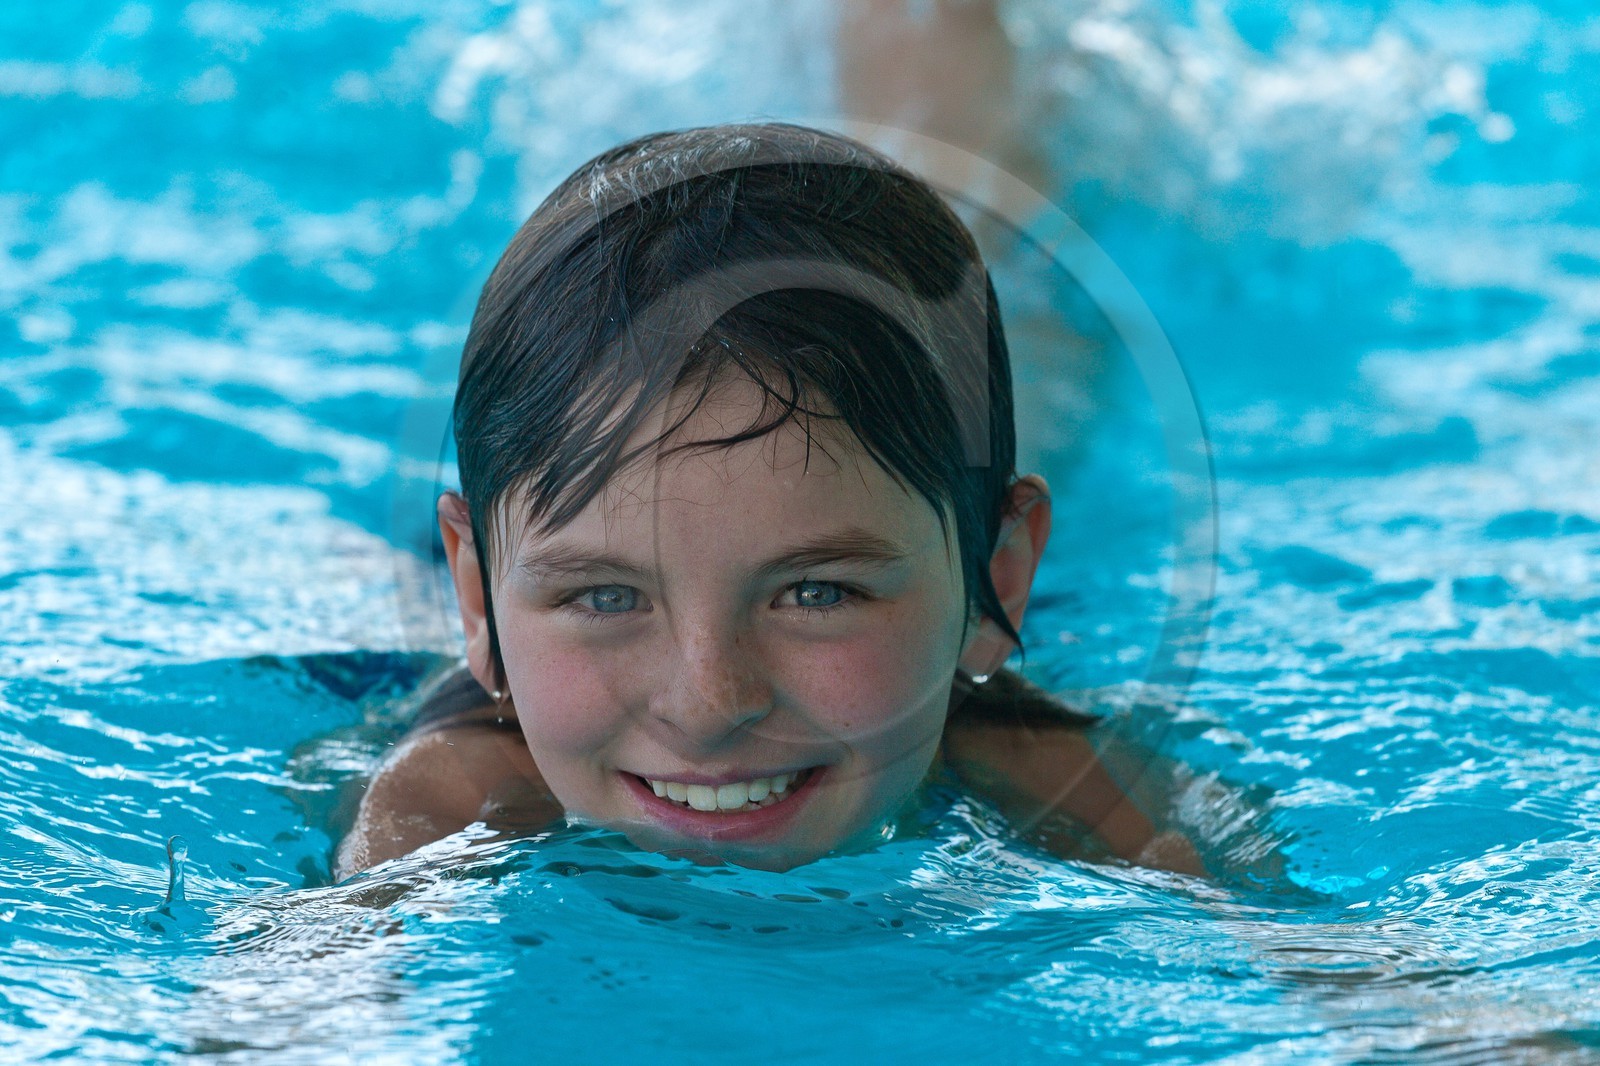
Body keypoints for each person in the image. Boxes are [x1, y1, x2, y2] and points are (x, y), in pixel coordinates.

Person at [335, 122, 1201, 878]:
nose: (709, 706)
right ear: (479, 602)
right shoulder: (445, 800)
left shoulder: (1064, 777)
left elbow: (1298, 964)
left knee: (1040, 325)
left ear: (998, 582)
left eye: (817, 592)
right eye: (605, 596)